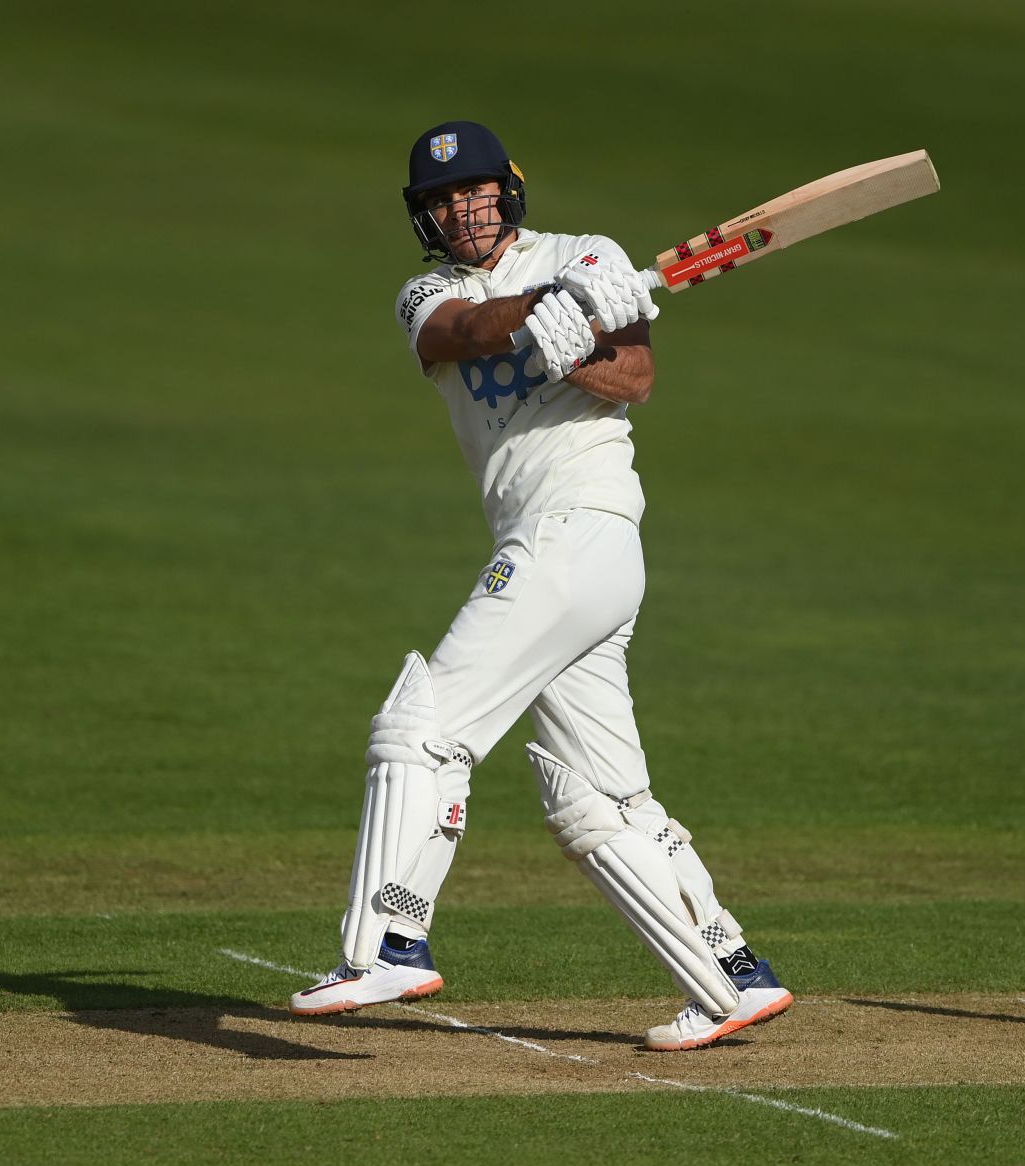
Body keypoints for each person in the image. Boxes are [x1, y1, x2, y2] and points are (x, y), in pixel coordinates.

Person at [287, 120, 792, 1051]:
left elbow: (634, 378)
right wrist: (541, 311)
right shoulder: (425, 293)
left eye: (473, 191)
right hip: (566, 558)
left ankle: (388, 939)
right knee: (592, 799)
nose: (458, 210)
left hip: (582, 529)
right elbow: (465, 332)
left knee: (422, 724)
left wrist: (578, 351)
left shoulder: (589, 255)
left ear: (508, 190)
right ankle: (729, 972)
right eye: (440, 201)